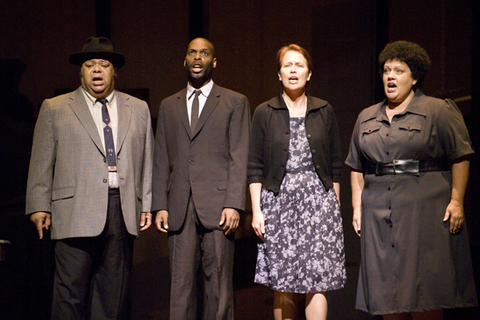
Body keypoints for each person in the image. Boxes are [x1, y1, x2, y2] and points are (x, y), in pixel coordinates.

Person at [346, 40, 478, 319]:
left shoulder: (438, 110)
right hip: (379, 213)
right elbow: (356, 165)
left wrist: (457, 200)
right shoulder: (366, 117)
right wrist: (358, 206)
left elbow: (460, 155)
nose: (390, 76)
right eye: (386, 70)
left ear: (415, 77)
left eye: (399, 70)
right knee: (385, 293)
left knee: (425, 290)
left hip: (425, 210)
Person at [26, 37, 154, 320]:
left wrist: (146, 204)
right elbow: (42, 159)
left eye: (104, 65)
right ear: (80, 72)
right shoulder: (56, 107)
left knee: (113, 294)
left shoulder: (138, 108)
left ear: (114, 71)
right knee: (69, 293)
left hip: (120, 209)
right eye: (90, 65)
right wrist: (39, 204)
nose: (97, 70)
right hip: (74, 210)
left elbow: (147, 160)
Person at [153, 37, 250, 320]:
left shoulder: (234, 102)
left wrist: (234, 203)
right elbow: (161, 159)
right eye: (192, 53)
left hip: (219, 206)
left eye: (204, 53)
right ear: (184, 60)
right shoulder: (169, 105)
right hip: (179, 207)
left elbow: (239, 156)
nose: (198, 58)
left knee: (218, 289)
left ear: (214, 61)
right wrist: (160, 204)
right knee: (180, 288)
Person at [248, 44, 346, 320]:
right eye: (287, 65)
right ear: (279, 74)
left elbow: (335, 165)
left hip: (318, 203)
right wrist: (257, 211)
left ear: (309, 73)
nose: (293, 70)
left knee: (317, 280)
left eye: (299, 65)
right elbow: (254, 166)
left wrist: (334, 208)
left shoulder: (324, 110)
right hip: (278, 203)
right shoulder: (264, 111)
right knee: (284, 280)